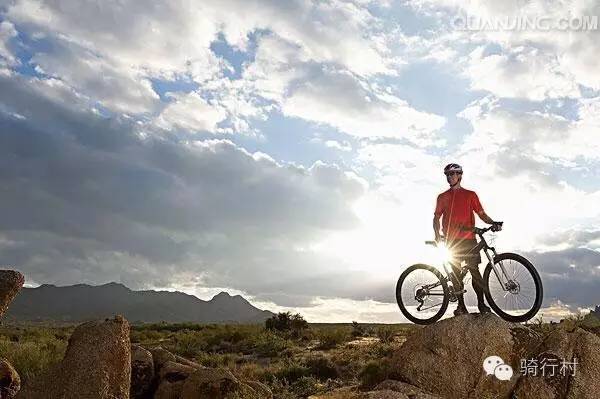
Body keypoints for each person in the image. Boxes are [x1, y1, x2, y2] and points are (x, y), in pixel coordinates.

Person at [433, 163, 503, 316]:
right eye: (447, 175)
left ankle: (481, 305)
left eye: (453, 174)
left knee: (474, 271)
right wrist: (437, 235)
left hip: (469, 239)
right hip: (452, 241)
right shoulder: (442, 197)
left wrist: (493, 223)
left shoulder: (470, 195)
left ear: (460, 176)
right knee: (457, 273)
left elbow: (481, 214)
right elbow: (436, 217)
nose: (449, 177)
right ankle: (461, 307)